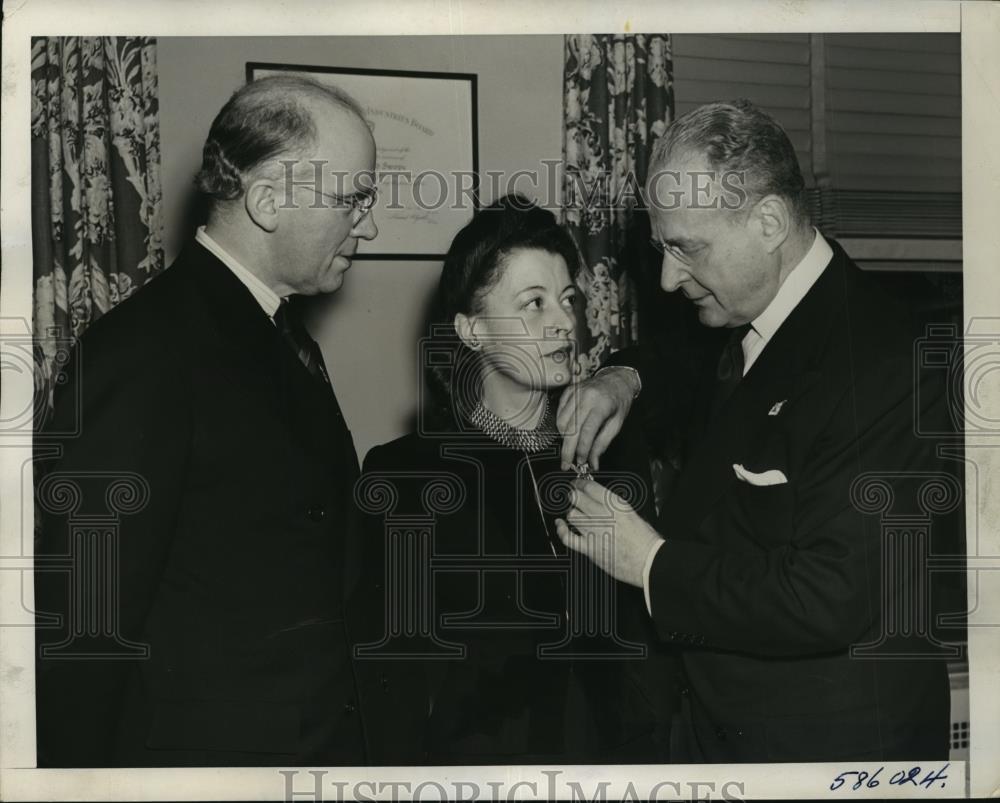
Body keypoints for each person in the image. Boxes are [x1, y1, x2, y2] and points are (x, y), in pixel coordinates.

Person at [555, 99, 962, 762]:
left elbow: (829, 596)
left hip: (829, 752)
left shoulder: (889, 360)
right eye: (661, 248)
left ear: (769, 221)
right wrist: (623, 378)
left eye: (686, 248)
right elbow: (682, 361)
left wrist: (649, 561)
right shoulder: (750, 313)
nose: (666, 278)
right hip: (720, 736)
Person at [34, 75, 378, 766]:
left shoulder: (276, 329)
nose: (367, 225)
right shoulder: (143, 351)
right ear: (267, 199)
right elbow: (85, 626)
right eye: (351, 200)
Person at [348, 194, 676, 765]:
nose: (562, 322)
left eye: (567, 299)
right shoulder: (405, 476)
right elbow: (388, 686)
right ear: (472, 330)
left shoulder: (611, 450)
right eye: (533, 303)